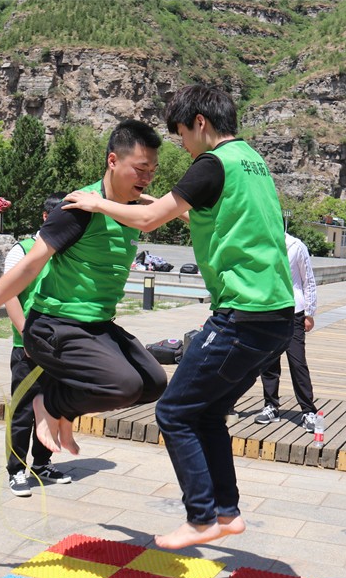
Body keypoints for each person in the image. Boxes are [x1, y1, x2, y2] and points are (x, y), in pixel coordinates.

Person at [63, 84, 295, 550]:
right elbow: (212, 218)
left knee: (172, 412)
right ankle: (226, 514)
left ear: (200, 123)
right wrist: (155, 204)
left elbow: (148, 222)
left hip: (241, 315)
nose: (183, 146)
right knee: (206, 412)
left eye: (182, 135)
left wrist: (96, 202)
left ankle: (201, 517)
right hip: (276, 315)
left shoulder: (211, 163)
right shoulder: (251, 160)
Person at [0, 120, 168, 457]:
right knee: (124, 385)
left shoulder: (131, 209)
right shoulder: (77, 209)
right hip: (55, 325)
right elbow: (29, 266)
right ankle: (50, 404)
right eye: (140, 169)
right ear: (113, 160)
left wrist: (141, 194)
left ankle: (63, 413)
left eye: (153, 172)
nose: (147, 178)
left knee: (153, 382)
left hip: (98, 325)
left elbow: (170, 212)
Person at [4, 192, 73, 497]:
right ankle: (16, 469)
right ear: (46, 218)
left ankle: (42, 464)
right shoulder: (22, 250)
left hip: (59, 347)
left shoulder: (69, 252)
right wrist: (26, 336)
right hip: (27, 347)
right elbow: (9, 295)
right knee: (23, 411)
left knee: (53, 409)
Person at [254, 231, 319, 431]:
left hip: (294, 312)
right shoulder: (262, 243)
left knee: (297, 362)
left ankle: (308, 410)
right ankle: (271, 406)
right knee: (269, 362)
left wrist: (309, 312)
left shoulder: (296, 246)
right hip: (269, 310)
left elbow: (308, 279)